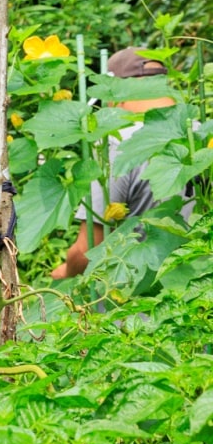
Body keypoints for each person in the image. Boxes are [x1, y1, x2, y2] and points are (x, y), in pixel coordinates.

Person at [50, 46, 185, 279]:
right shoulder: (200, 133)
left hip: (130, 304)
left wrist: (65, 272)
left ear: (118, 90)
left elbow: (88, 250)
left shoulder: (116, 145)